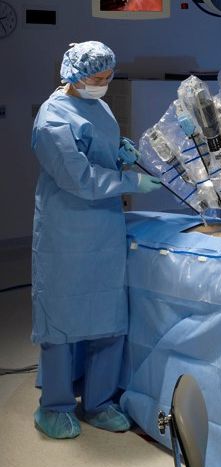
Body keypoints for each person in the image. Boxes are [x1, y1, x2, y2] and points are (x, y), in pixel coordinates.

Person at [31, 41, 162, 439]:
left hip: (104, 224)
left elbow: (97, 150)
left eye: (108, 77)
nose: (102, 84)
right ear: (73, 74)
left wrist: (119, 153)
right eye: (96, 77)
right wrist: (130, 181)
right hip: (66, 228)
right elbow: (79, 178)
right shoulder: (52, 119)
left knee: (108, 315)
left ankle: (99, 402)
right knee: (61, 316)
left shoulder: (99, 105)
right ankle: (54, 406)